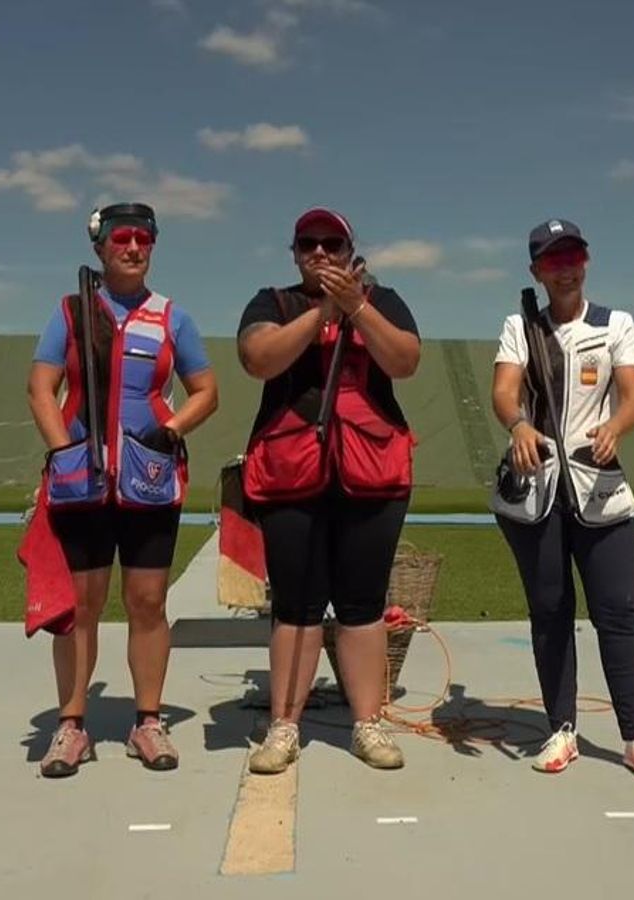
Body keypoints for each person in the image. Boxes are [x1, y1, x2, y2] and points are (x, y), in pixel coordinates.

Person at [26, 202, 219, 776]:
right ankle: (70, 727)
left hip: (150, 483)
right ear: (100, 247)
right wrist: (65, 451)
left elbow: (205, 390)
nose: (133, 248)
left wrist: (171, 431)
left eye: (143, 239)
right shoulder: (70, 312)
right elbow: (42, 388)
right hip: (81, 483)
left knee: (148, 603)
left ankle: (149, 722)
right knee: (80, 608)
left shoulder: (172, 319)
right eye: (121, 238)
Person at [235, 207, 421, 774]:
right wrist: (322, 313)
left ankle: (367, 723)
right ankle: (285, 726)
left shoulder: (382, 300)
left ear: (348, 250)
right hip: (292, 472)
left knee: (363, 606)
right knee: (296, 607)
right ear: (294, 253)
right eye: (309, 244)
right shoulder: (274, 302)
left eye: (332, 244)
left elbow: (406, 359)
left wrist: (357, 307)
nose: (320, 253)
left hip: (371, 474)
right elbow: (258, 358)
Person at [489, 218, 634, 783]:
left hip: (602, 490)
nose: (564, 268)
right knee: (550, 614)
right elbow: (503, 391)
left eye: (572, 256)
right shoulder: (520, 325)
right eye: (551, 260)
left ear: (586, 261)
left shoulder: (616, 323)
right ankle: (560, 729)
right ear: (535, 271)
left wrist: (617, 424)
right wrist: (519, 425)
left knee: (618, 613)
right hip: (539, 493)